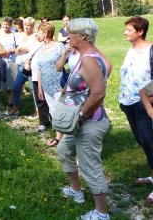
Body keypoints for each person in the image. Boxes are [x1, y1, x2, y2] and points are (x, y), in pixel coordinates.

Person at [56, 18, 110, 220]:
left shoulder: (89, 59)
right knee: (63, 150)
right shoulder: (84, 55)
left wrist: (80, 114)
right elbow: (102, 73)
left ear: (83, 36)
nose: (67, 35)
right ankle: (76, 191)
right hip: (77, 122)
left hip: (89, 122)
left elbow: (98, 93)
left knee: (90, 166)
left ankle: (102, 213)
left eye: (71, 33)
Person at [119, 16, 153, 203]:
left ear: (140, 32)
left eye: (129, 30)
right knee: (143, 141)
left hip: (144, 105)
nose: (125, 32)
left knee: (150, 142)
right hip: (128, 103)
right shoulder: (131, 50)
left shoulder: (151, 50)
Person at [36, 23, 65, 132]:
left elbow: (67, 64)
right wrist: (39, 87)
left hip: (58, 85)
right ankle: (59, 134)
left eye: (39, 32)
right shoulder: (41, 48)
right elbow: (40, 68)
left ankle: (65, 134)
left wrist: (65, 85)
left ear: (46, 33)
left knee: (60, 110)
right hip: (46, 85)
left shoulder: (58, 46)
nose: (37, 34)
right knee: (52, 110)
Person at [10, 17, 38, 117]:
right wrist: (19, 49)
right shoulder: (21, 35)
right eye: (25, 25)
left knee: (34, 89)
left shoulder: (35, 36)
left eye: (29, 25)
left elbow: (34, 50)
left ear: (33, 26)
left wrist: (23, 49)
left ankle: (38, 111)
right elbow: (18, 49)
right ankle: (16, 108)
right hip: (21, 65)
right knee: (16, 87)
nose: (26, 27)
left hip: (31, 65)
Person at [0, 16, 17, 113]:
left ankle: (12, 101)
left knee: (12, 81)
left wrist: (12, 51)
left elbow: (17, 47)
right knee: (4, 81)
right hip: (2, 60)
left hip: (12, 59)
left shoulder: (14, 34)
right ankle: (8, 100)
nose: (5, 26)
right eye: (4, 24)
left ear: (10, 25)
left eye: (7, 24)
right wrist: (3, 52)